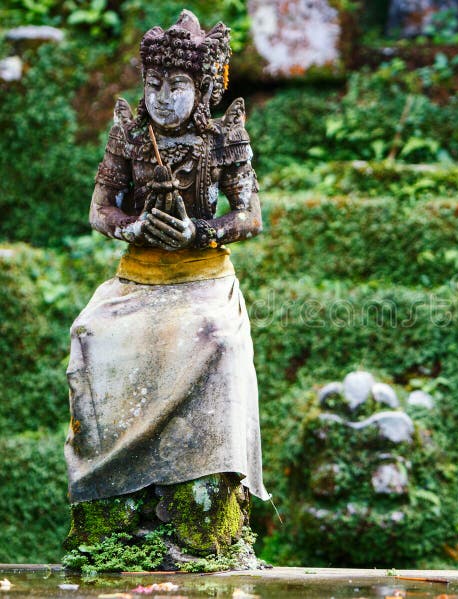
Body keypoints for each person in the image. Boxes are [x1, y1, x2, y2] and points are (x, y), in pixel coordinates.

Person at [63, 10, 268, 567]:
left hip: (203, 276)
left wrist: (199, 231)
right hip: (139, 276)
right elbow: (98, 210)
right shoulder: (130, 135)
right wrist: (128, 227)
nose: (162, 98)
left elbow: (249, 217)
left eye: (176, 86)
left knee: (216, 339)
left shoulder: (224, 137)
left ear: (202, 87)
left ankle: (204, 505)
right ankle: (113, 504)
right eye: (154, 85)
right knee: (91, 333)